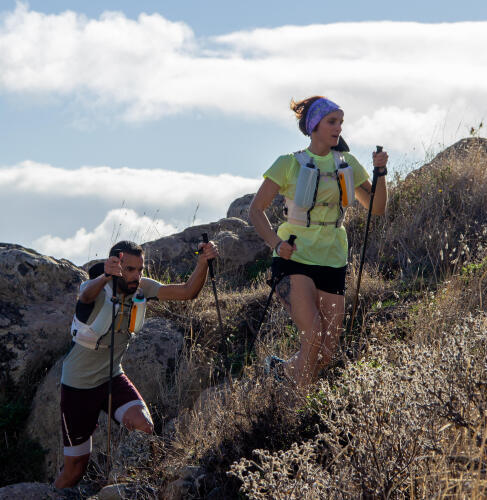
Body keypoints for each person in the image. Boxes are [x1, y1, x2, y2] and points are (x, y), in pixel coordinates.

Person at [54, 239, 218, 488]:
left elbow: (187, 292)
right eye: (130, 270)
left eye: (140, 269)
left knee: (144, 426)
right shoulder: (95, 287)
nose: (136, 276)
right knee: (75, 469)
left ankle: (131, 486)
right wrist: (104, 278)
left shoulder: (141, 288)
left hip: (111, 377)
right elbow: (85, 297)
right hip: (78, 385)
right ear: (116, 266)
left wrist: (203, 263)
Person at [249, 96, 388, 388]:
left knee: (326, 353)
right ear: (314, 126)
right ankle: (295, 415)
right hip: (294, 258)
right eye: (331, 121)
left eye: (340, 122)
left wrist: (381, 173)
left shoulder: (347, 163)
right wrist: (276, 243)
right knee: (312, 335)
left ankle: (279, 371)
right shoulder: (288, 164)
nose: (338, 128)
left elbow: (376, 207)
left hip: (333, 259)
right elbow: (255, 210)